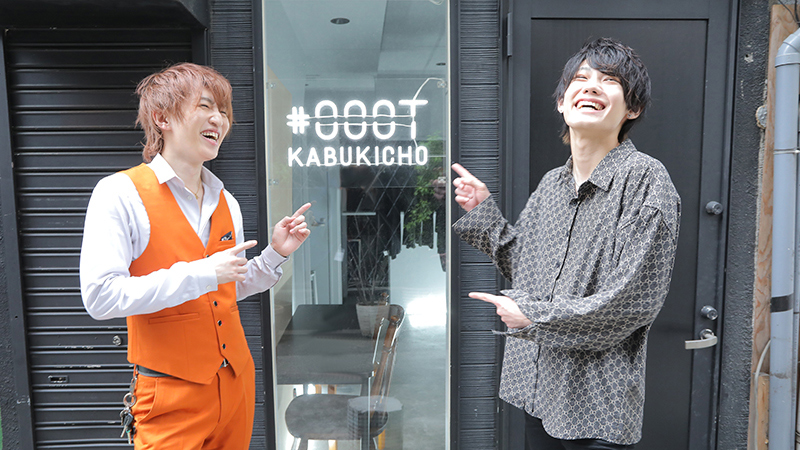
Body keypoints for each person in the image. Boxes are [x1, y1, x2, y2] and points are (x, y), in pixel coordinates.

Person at [452, 38, 680, 449]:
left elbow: (632, 302)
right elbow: (526, 268)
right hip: (535, 388)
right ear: (562, 102)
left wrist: (533, 317)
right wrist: (484, 212)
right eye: (581, 78)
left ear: (632, 108)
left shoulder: (646, 180)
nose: (591, 86)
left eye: (609, 80)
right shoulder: (552, 184)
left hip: (594, 403)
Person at [79, 62, 311, 449]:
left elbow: (226, 288)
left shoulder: (226, 201)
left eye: (224, 110)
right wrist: (203, 272)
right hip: (169, 394)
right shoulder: (120, 193)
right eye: (205, 106)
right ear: (162, 117)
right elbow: (101, 297)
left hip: (236, 383)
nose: (219, 119)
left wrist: (274, 254)